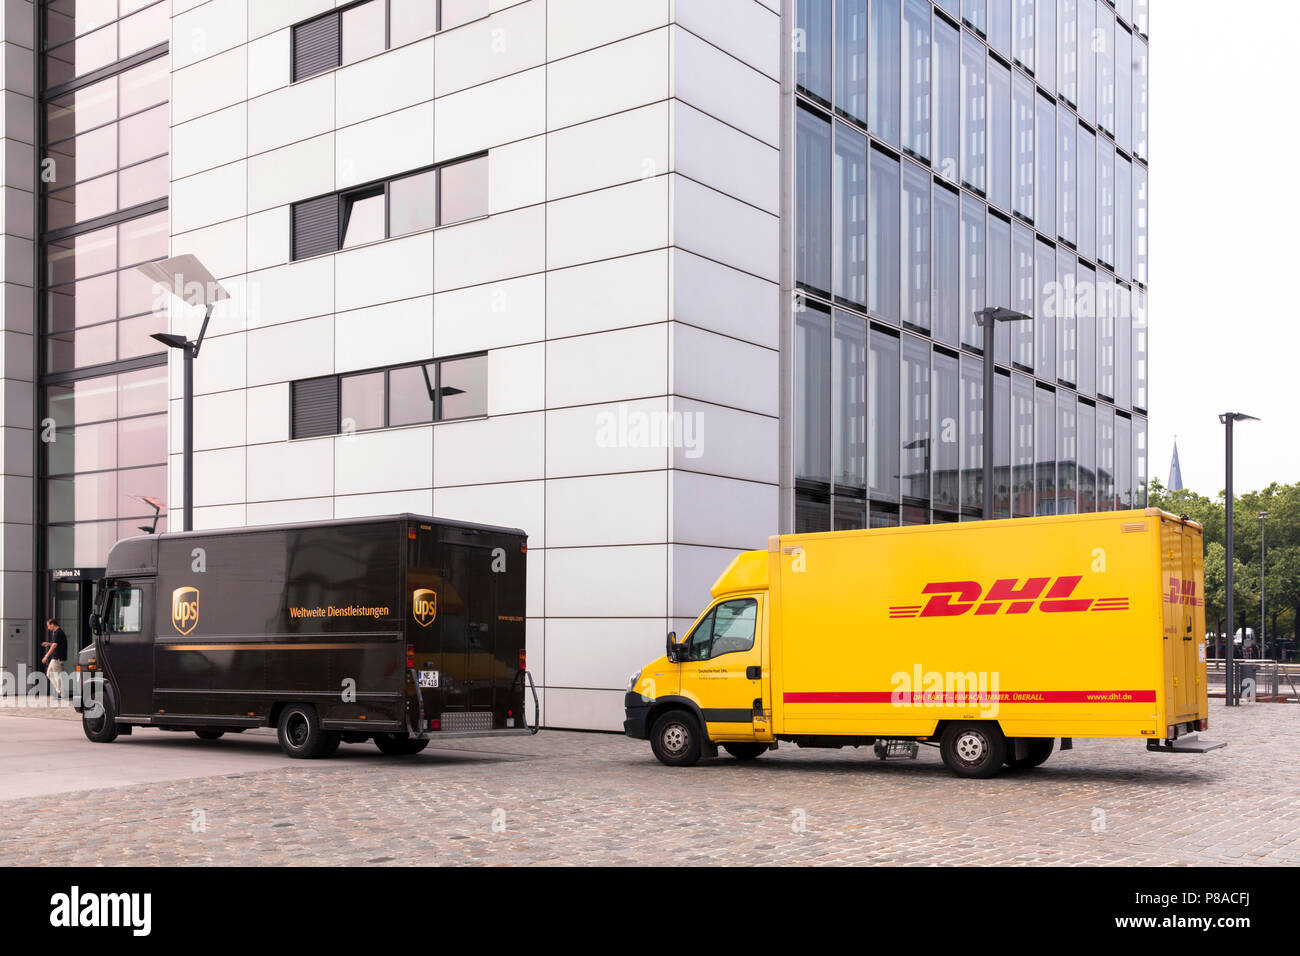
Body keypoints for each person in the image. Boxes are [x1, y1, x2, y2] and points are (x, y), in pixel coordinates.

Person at [42, 618, 68, 701]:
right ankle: (60, 692)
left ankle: (62, 694)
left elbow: (54, 646)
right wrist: (49, 644)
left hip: (57, 658)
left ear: (52, 624)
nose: (48, 628)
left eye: (48, 626)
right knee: (49, 674)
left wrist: (46, 656)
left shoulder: (58, 633)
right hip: (56, 658)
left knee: (58, 676)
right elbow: (55, 644)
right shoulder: (57, 633)